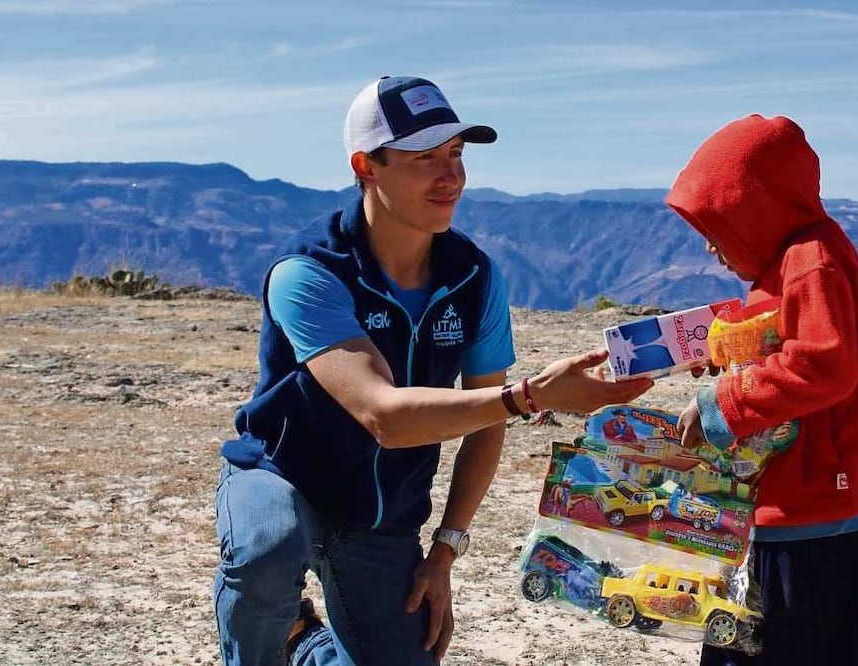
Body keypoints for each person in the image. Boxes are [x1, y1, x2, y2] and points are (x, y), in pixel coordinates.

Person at [212, 75, 653, 666]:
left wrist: (444, 551)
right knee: (267, 550)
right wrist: (530, 396)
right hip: (284, 477)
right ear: (366, 166)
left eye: (456, 153)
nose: (451, 177)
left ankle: (303, 641)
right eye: (424, 157)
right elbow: (385, 416)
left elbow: (485, 424)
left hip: (382, 511)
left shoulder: (474, 277)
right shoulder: (309, 272)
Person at [669, 114, 858, 665]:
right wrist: (727, 354)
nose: (710, 247)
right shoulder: (790, 259)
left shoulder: (812, 261)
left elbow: (824, 364)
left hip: (812, 508)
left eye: (718, 227)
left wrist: (724, 403)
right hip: (784, 505)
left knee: (791, 645)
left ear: (757, 210)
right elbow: (781, 342)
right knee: (742, 642)